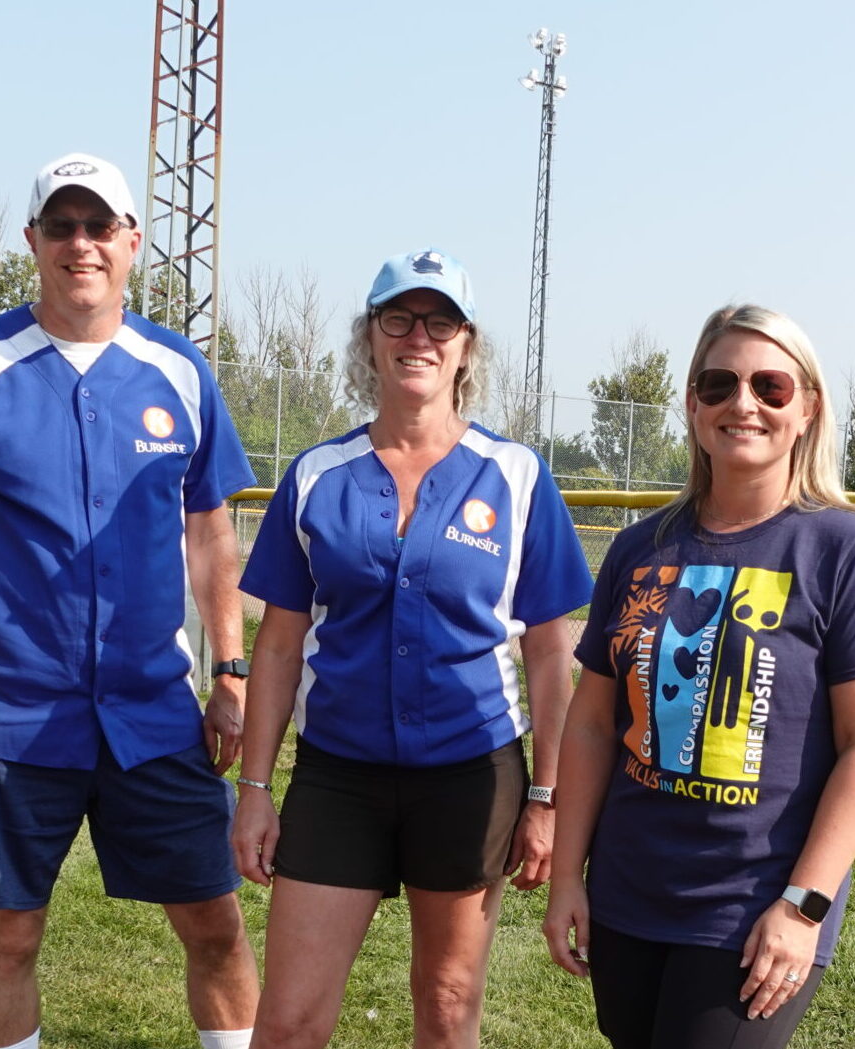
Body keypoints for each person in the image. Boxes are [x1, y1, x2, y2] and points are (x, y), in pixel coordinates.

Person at [0, 152, 259, 1049]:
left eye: (100, 227)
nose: (81, 244)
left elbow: (211, 536)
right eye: (62, 225)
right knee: (11, 932)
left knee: (214, 922)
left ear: (133, 242)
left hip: (155, 708)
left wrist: (231, 669)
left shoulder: (176, 370)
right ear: (33, 241)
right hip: (17, 709)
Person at [231, 250, 594, 1049]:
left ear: (466, 344)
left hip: (471, 773)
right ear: (370, 337)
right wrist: (255, 786)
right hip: (338, 774)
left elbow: (546, 655)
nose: (418, 336)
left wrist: (546, 798)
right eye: (398, 317)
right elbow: (281, 644)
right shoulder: (319, 473)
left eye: (440, 321)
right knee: (288, 1021)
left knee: (446, 1003)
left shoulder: (516, 475)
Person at [542, 305, 855, 1049]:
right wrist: (566, 878)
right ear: (691, 404)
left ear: (806, 406)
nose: (741, 403)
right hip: (629, 893)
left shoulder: (846, 548)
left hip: (753, 905)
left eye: (770, 386)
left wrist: (802, 905)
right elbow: (590, 723)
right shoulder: (638, 547)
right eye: (717, 384)